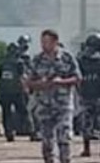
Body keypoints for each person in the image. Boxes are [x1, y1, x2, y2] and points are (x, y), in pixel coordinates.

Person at [25, 29, 82, 163]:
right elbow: (28, 82)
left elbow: (77, 78)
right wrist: (40, 83)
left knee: (64, 138)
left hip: (63, 105)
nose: (43, 45)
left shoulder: (67, 58)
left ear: (55, 42)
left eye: (47, 42)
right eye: (42, 42)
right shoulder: (37, 60)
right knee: (47, 141)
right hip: (44, 106)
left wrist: (61, 82)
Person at [0, 43, 28, 142]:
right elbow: (23, 76)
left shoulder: (3, 62)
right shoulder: (19, 62)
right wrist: (26, 89)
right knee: (24, 112)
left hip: (5, 92)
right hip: (17, 91)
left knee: (6, 113)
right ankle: (31, 131)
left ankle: (9, 133)